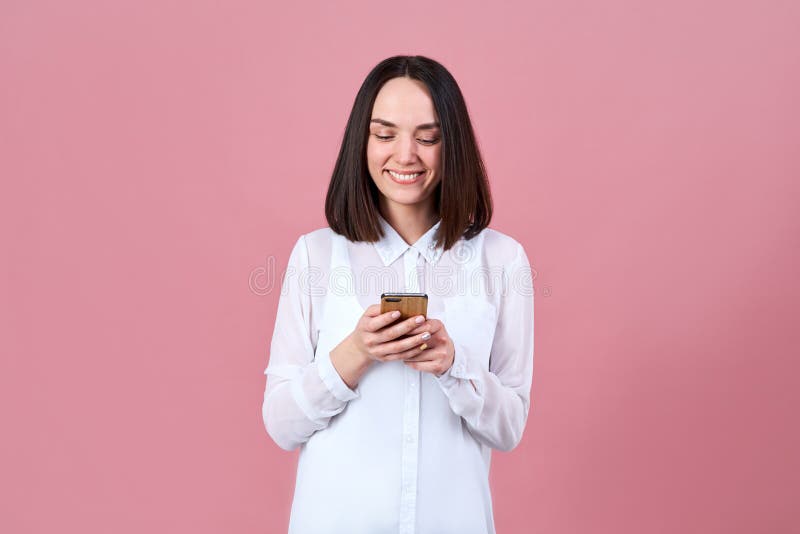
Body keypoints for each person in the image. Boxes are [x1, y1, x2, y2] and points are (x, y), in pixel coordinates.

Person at [261, 55, 534, 534]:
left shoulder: (503, 261)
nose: (405, 155)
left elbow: (509, 428)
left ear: (455, 146)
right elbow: (281, 424)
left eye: (427, 137)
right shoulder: (316, 256)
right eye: (385, 135)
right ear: (361, 142)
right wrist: (355, 353)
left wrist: (455, 367)